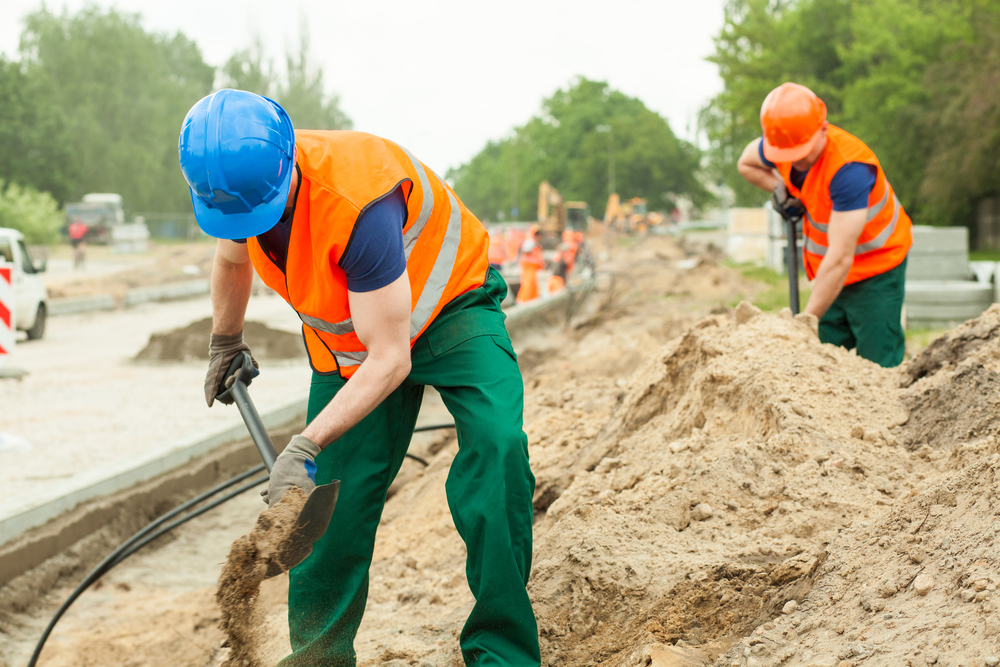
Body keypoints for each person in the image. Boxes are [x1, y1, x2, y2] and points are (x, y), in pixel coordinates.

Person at [178, 89, 540, 667]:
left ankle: (503, 652)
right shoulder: (243, 189)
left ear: (289, 166)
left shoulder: (356, 200)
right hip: (351, 348)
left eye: (257, 211)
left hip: (452, 312)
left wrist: (306, 441)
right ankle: (320, 660)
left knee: (498, 450)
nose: (248, 224)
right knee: (327, 510)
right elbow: (231, 258)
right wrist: (226, 341)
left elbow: (392, 358)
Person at [736, 82, 913, 367]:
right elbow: (746, 164)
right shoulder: (782, 145)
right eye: (788, 153)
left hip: (875, 271)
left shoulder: (849, 169)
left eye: (802, 150)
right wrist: (781, 189)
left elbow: (841, 256)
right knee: (823, 361)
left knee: (878, 365)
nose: (797, 159)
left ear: (823, 127)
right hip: (828, 275)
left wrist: (805, 323)